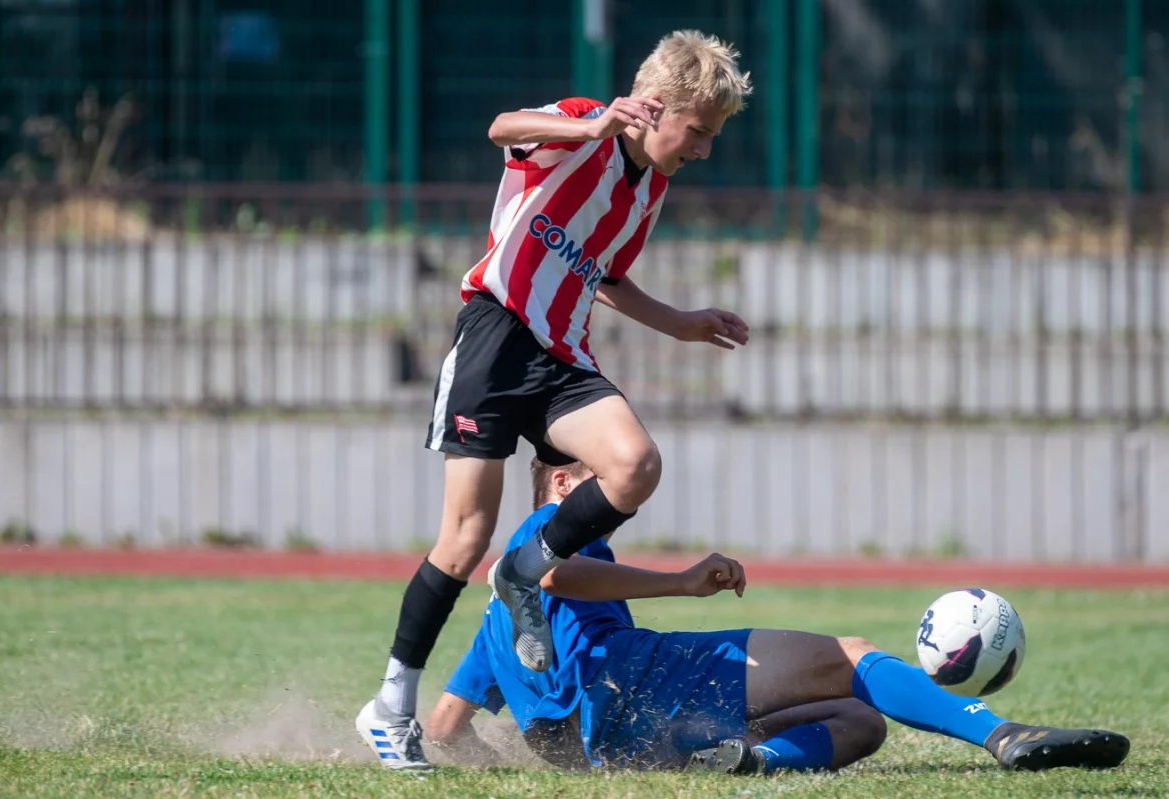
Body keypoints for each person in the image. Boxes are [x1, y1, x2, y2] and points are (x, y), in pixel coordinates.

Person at [357, 29, 754, 771]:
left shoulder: (650, 189)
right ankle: (391, 705)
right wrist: (591, 123)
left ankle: (524, 570)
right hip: (495, 338)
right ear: (655, 108)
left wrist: (682, 322)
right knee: (464, 536)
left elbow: (607, 274)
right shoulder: (584, 125)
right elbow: (501, 128)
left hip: (562, 355)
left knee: (635, 464)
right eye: (697, 131)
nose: (703, 148)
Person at [424, 460, 1131, 774]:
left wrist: (527, 767)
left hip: (629, 742)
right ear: (558, 481)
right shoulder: (549, 524)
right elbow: (552, 570)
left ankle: (746, 763)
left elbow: (446, 729)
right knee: (850, 655)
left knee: (862, 723)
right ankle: (1002, 733)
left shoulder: (497, 621)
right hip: (646, 679)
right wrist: (683, 580)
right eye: (597, 475)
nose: (615, 487)